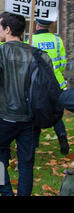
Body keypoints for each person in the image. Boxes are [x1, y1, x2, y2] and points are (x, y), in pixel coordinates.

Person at [0, 12, 51, 196]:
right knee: (26, 161)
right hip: (30, 117)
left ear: (7, 29)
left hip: (5, 115)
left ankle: (5, 191)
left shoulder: (0, 52)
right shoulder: (38, 54)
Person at [26, 19, 70, 155]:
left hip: (38, 84)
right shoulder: (57, 40)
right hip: (56, 83)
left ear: (37, 25)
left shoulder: (30, 40)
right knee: (55, 113)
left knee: (35, 111)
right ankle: (61, 134)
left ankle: (34, 144)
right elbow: (62, 63)